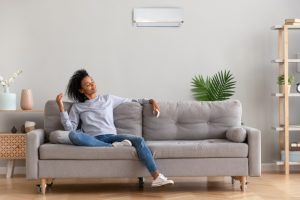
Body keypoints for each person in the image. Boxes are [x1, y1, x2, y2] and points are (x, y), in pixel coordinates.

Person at [55, 69, 174, 187]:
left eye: (92, 81)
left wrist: (151, 101)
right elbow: (70, 129)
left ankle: (157, 176)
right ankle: (112, 147)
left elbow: (133, 100)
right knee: (73, 135)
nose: (92, 85)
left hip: (112, 137)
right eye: (88, 84)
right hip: (93, 139)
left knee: (139, 140)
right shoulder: (78, 107)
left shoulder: (108, 99)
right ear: (81, 90)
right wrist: (61, 107)